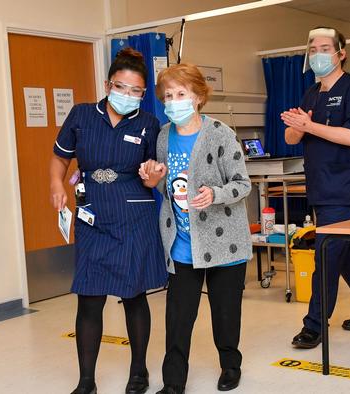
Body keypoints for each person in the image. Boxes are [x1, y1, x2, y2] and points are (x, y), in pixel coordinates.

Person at [49, 47, 168, 394]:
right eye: (122, 87)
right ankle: (86, 381)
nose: (128, 96)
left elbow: (152, 175)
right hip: (93, 215)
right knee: (89, 296)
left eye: (137, 92)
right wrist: (57, 184)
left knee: (133, 295)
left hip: (133, 214)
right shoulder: (82, 116)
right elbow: (60, 159)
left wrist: (152, 176)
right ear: (107, 84)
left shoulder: (149, 124)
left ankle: (139, 373)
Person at [139, 63, 252, 394]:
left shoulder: (220, 133)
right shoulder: (163, 136)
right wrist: (154, 180)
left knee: (225, 314)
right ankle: (174, 382)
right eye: (168, 95)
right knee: (177, 318)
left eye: (181, 94)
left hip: (224, 243)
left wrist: (215, 194)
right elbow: (166, 186)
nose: (174, 101)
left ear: (199, 96)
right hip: (182, 243)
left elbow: (242, 183)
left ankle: (231, 365)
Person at [281, 27, 350, 349]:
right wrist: (298, 128)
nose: (318, 54)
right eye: (313, 48)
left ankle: (314, 325)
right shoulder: (311, 94)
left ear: (341, 53)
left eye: (325, 48)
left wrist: (309, 125)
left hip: (343, 186)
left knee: (326, 255)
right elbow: (291, 138)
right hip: (319, 185)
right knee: (346, 254)